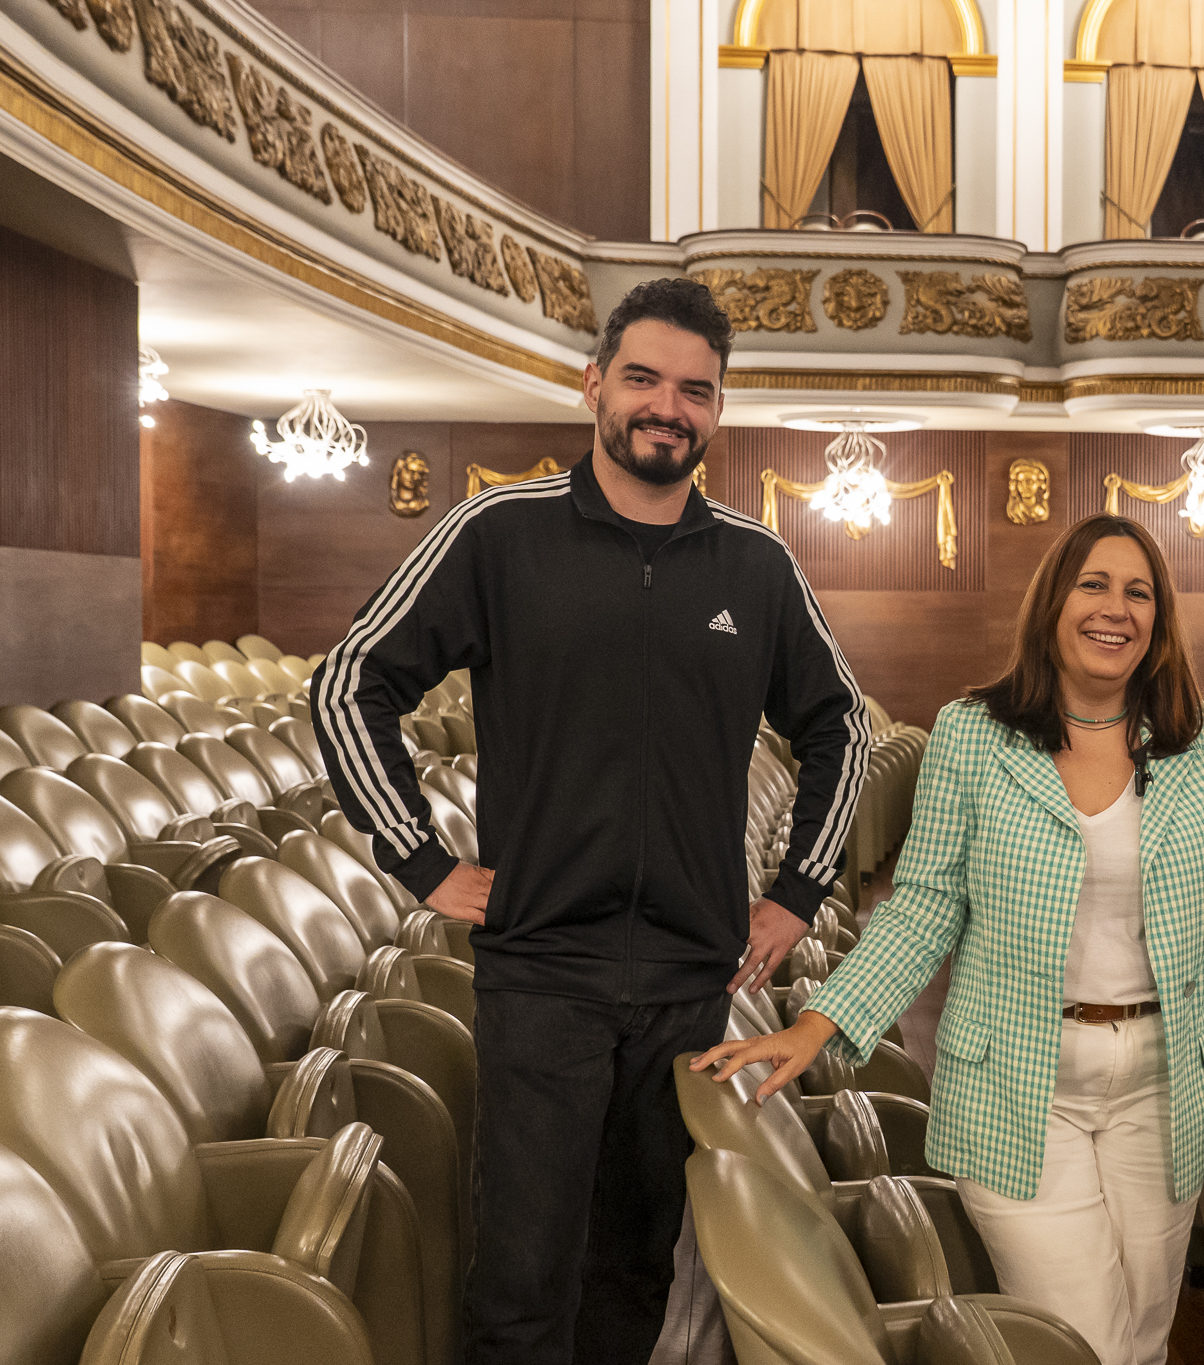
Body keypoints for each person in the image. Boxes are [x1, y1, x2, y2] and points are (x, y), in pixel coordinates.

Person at [694, 513, 1204, 1365]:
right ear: (1053, 604)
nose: (1116, 608)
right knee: (1086, 1345)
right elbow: (924, 905)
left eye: (1139, 592)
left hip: (1164, 1086)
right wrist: (819, 1024)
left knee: (1143, 1339)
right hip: (1018, 1083)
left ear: (1159, 618)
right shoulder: (973, 732)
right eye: (1093, 584)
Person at [312, 277, 871, 1365]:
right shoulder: (498, 532)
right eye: (644, 379)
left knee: (634, 1271)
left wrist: (798, 892)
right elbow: (348, 683)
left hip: (689, 978)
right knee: (522, 1286)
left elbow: (841, 724)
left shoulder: (754, 563)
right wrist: (422, 860)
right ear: (593, 386)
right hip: (542, 976)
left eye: (696, 390)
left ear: (718, 409)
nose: (668, 407)